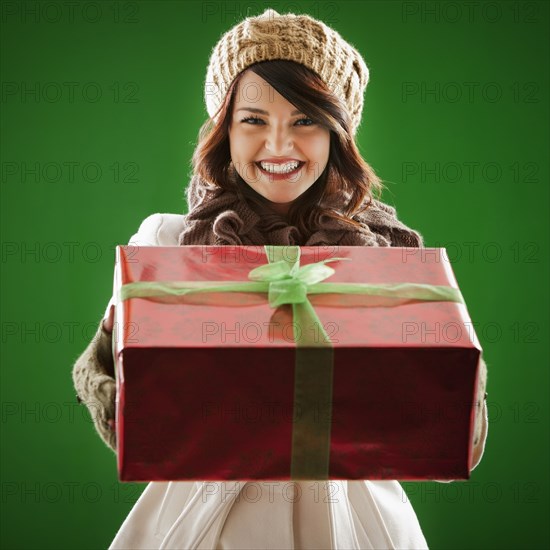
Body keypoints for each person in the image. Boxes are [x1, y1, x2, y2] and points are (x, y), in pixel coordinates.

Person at [72, 9, 488, 549]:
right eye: (253, 120)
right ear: (223, 129)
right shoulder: (168, 243)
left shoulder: (387, 258)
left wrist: (458, 398)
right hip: (203, 517)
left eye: (305, 120)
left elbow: (446, 428)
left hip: (355, 518)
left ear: (337, 132)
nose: (278, 145)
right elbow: (113, 380)